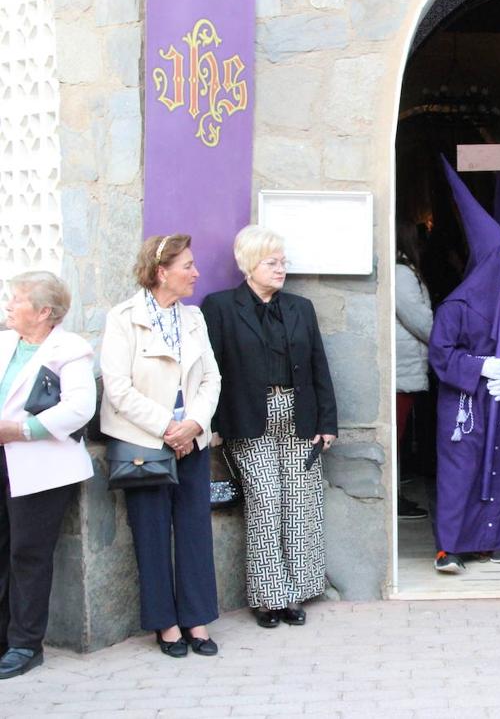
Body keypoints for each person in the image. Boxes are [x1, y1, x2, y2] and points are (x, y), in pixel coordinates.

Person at [201, 226, 338, 629]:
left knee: (300, 503)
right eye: (272, 262)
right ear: (249, 265)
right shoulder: (220, 307)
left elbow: (318, 366)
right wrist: (213, 424)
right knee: (265, 501)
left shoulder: (300, 308)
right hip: (248, 417)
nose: (281, 269)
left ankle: (294, 594)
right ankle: (269, 597)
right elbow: (211, 371)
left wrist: (326, 422)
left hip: (299, 414)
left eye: (283, 262)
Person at [100, 234, 222, 658]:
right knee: (150, 533)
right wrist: (168, 427)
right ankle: (166, 625)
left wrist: (192, 425)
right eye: (187, 265)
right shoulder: (122, 318)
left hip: (191, 439)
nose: (196, 273)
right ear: (160, 272)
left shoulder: (193, 318)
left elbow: (211, 378)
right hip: (144, 443)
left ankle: (196, 618)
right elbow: (118, 388)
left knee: (194, 531)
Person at [428, 157, 500, 572]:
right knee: (461, 472)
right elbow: (440, 354)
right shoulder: (456, 307)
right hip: (466, 404)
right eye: (498, 259)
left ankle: (488, 539)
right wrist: (479, 367)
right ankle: (450, 545)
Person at [0, 272, 95, 678]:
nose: (8, 304)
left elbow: (79, 407)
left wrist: (20, 430)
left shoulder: (69, 347)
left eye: (16, 299)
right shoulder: (4, 341)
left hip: (39, 465)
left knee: (28, 554)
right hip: (2, 459)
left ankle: (25, 644)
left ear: (43, 311)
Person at [394, 218, 433, 521]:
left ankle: (396, 495)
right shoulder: (402, 273)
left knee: (401, 433)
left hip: (405, 367)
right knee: (398, 434)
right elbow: (418, 319)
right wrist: (443, 337)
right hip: (403, 368)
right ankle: (394, 498)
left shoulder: (402, 270)